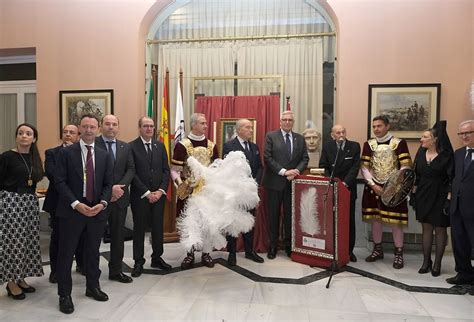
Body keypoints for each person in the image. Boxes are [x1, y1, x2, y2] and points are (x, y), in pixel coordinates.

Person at [55, 114, 113, 314]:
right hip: (72, 212)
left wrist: (103, 203)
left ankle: (92, 287)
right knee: (66, 254)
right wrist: (76, 203)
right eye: (85, 126)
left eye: (93, 127)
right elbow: (59, 182)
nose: (89, 130)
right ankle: (65, 295)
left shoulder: (104, 154)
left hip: (96, 211)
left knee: (92, 251)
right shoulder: (66, 153)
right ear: (79, 128)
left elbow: (108, 183)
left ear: (98, 129)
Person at [361, 115, 412, 269]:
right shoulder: (369, 144)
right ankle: (377, 250)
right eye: (374, 126)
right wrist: (372, 184)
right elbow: (364, 167)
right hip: (373, 188)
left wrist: (393, 185)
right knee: (376, 220)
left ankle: (398, 254)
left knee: (396, 223)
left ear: (387, 126)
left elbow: (405, 166)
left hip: (394, 190)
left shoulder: (399, 143)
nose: (376, 129)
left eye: (379, 126)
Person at [0, 123, 44, 300]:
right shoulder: (7, 157)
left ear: (34, 138)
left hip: (29, 204)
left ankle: (20, 277)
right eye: (20, 133)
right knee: (12, 243)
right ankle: (10, 282)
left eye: (28, 133)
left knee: (27, 242)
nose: (24, 136)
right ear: (16, 137)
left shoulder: (34, 158)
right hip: (11, 203)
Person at [171, 113, 218, 269]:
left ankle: (206, 253)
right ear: (194, 125)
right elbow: (174, 170)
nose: (206, 125)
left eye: (205, 123)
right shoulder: (182, 145)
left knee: (208, 223)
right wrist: (183, 185)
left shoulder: (212, 145)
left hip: (208, 193)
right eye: (203, 123)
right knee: (190, 223)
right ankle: (189, 254)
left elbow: (216, 169)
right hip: (189, 192)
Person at [263, 110, 309, 259]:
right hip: (274, 183)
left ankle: (290, 246)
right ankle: (273, 247)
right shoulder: (271, 136)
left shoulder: (300, 139)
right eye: (285, 120)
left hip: (292, 184)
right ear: (280, 121)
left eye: (290, 120)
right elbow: (267, 157)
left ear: (293, 122)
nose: (287, 122)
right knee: (274, 216)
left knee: (290, 216)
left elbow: (304, 158)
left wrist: (296, 171)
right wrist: (284, 172)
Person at [129, 117, 171, 277]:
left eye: (151, 126)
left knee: (158, 228)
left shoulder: (160, 146)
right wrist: (147, 193)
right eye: (145, 126)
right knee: (139, 229)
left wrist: (160, 191)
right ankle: (138, 261)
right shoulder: (131, 147)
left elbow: (166, 171)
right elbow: (131, 172)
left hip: (158, 196)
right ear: (139, 127)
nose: (149, 129)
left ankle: (157, 258)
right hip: (140, 197)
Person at [43, 124, 85, 284]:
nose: (68, 134)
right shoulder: (53, 153)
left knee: (82, 236)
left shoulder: (85, 152)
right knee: (58, 239)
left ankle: (82, 265)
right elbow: (53, 175)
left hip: (82, 202)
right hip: (59, 202)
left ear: (78, 136)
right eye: (65, 132)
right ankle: (55, 271)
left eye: (72, 132)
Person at [411, 121, 453, 277]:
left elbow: (451, 178)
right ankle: (426, 261)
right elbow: (416, 175)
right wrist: (413, 194)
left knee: (440, 229)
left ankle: (437, 264)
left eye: (425, 137)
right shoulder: (421, 153)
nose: (421, 139)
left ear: (435, 139)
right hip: (423, 195)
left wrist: (449, 198)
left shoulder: (446, 155)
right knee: (426, 228)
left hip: (440, 196)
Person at [95, 115, 135, 283]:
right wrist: (109, 189)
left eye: (114, 124)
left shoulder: (125, 147)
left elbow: (131, 169)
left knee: (118, 237)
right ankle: (91, 270)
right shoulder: (93, 144)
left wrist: (119, 188)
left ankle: (116, 271)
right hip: (98, 199)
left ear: (118, 127)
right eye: (107, 124)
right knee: (93, 237)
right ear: (101, 126)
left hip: (120, 198)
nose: (111, 127)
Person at [223, 118, 264, 266]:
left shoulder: (254, 147)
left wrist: (254, 184)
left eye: (251, 128)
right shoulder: (229, 146)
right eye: (248, 128)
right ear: (239, 129)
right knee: (233, 222)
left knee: (249, 221)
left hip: (250, 192)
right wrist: (241, 184)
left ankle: (249, 251)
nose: (251, 130)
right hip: (236, 192)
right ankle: (232, 253)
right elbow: (228, 169)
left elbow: (260, 167)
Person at [319, 124, 361, 262]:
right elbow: (323, 165)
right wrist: (331, 182)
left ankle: (349, 251)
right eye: (338, 133)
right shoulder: (327, 146)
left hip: (348, 189)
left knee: (348, 221)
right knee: (331, 221)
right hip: (332, 188)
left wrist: (344, 184)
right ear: (332, 135)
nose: (341, 135)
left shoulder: (354, 146)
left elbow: (355, 168)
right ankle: (332, 249)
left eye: (343, 132)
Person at [445, 120, 474, 295]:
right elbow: (454, 178)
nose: (464, 136)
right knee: (459, 242)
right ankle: (463, 273)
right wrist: (450, 198)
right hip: (457, 207)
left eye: (468, 132)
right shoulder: (458, 153)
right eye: (461, 133)